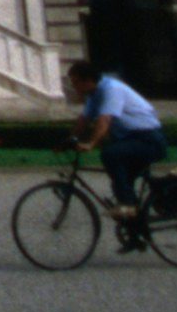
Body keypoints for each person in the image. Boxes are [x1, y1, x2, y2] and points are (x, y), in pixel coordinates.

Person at [67, 57, 165, 246]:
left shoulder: (111, 89)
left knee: (111, 154)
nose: (73, 86)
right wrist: (67, 140)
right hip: (133, 140)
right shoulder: (94, 95)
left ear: (87, 80)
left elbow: (105, 120)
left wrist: (91, 143)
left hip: (149, 140)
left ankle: (129, 207)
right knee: (120, 185)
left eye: (75, 82)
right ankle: (135, 232)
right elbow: (83, 120)